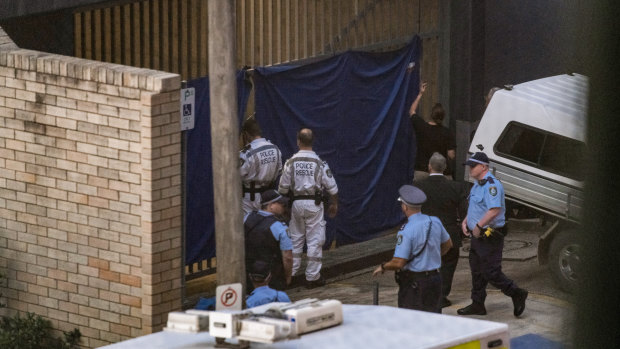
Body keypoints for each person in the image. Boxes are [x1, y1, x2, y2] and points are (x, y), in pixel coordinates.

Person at [458, 152, 528, 317]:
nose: (470, 169)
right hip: (477, 235)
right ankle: (477, 304)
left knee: (490, 271)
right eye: (469, 165)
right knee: (476, 269)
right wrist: (466, 221)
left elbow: (494, 209)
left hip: (489, 236)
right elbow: (476, 206)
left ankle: (516, 292)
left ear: (484, 167)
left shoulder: (491, 185)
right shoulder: (477, 184)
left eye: (473, 166)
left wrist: (478, 225)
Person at [373, 185, 453, 313]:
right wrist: (433, 257)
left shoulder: (406, 231)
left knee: (412, 321)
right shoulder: (435, 221)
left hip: (415, 283)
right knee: (434, 318)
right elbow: (448, 244)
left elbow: (399, 262)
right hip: (435, 279)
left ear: (405, 207)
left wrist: (384, 266)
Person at [278, 128, 338, 289]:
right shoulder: (319, 163)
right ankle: (312, 277)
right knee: (314, 240)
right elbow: (333, 188)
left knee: (295, 239)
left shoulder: (290, 162)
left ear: (298, 141)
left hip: (296, 203)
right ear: (312, 141)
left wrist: (284, 208)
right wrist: (334, 204)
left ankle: (291, 275)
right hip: (314, 204)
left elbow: (282, 189)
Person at [414, 152, 468, 308]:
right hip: (448, 232)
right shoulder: (456, 187)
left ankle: (424, 293)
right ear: (444, 168)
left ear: (429, 167)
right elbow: (464, 210)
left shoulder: (418, 186)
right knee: (448, 263)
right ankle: (441, 295)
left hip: (425, 231)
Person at [244, 190, 293, 291]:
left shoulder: (247, 217)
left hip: (248, 276)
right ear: (271, 205)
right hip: (271, 278)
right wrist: (288, 278)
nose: (284, 206)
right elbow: (287, 257)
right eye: (281, 203)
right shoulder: (279, 226)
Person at [409, 81, 456, 180]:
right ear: (443, 117)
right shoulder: (447, 133)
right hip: (441, 173)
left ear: (431, 115)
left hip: (422, 171)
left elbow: (412, 111)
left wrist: (420, 94)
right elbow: (451, 155)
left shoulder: (421, 127)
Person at [239, 116, 283, 215]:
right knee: (266, 225)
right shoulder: (275, 149)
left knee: (249, 226)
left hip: (249, 198)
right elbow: (279, 171)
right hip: (268, 197)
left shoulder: (246, 153)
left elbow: (237, 175)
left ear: (246, 134)